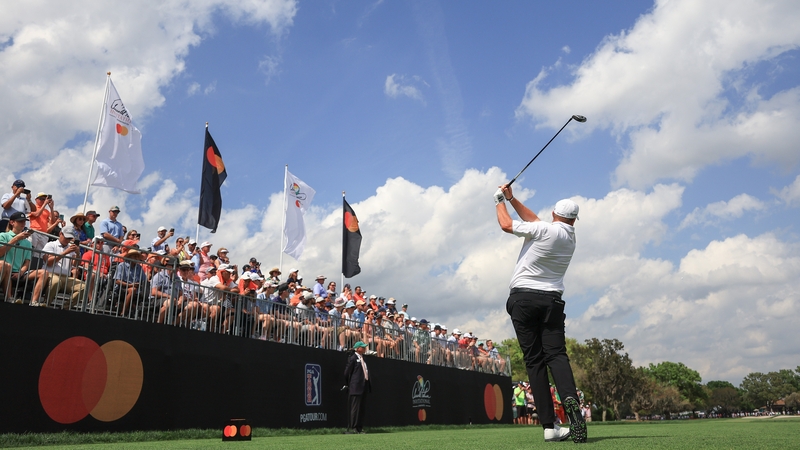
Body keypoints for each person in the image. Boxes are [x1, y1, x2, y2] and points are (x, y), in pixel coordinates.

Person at [495, 184, 586, 443]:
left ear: (554, 214)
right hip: (553, 301)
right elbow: (534, 221)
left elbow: (506, 224)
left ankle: (549, 425)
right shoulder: (569, 237)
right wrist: (512, 198)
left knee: (535, 361)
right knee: (557, 355)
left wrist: (499, 201)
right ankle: (569, 400)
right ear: (573, 220)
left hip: (523, 298)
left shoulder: (545, 229)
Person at [343, 341, 371, 434]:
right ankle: (354, 427)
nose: (364, 348)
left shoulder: (363, 358)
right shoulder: (353, 358)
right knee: (355, 408)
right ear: (357, 348)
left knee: (362, 408)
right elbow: (347, 372)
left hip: (364, 386)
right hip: (356, 386)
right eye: (362, 347)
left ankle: (359, 427)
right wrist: (349, 384)